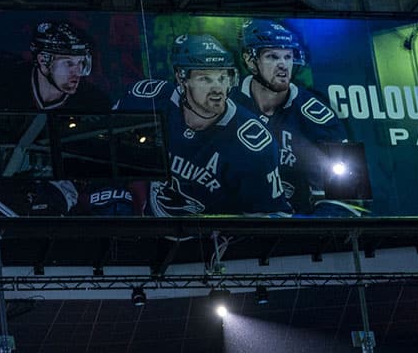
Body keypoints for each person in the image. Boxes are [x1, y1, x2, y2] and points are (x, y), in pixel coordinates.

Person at [115, 34, 290, 217]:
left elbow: (272, 217)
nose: (217, 88)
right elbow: (106, 149)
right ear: (182, 79)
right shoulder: (148, 101)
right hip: (146, 231)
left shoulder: (254, 146)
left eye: (222, 78)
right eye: (205, 79)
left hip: (212, 241)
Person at [230, 19, 350, 213]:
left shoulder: (320, 116)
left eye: (287, 57)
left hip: (294, 229)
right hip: (234, 228)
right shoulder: (227, 103)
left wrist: (310, 230)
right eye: (272, 57)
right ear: (250, 61)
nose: (283, 65)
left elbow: (347, 194)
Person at [0, 20, 111, 112]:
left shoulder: (93, 100)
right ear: (43, 61)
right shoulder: (1, 79)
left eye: (81, 63)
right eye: (69, 63)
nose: (77, 72)